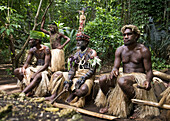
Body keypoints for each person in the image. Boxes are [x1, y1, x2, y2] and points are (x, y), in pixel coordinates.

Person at [95, 25, 160, 118]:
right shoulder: (120, 50)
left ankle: (136, 106)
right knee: (102, 79)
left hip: (138, 76)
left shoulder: (143, 50)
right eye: (124, 35)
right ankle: (110, 104)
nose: (125, 37)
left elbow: (149, 70)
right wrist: (114, 71)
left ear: (136, 36)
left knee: (122, 81)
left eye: (129, 34)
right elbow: (115, 67)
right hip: (124, 75)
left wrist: (148, 80)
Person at [46, 33, 101, 108]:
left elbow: (92, 70)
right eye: (77, 41)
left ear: (86, 42)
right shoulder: (76, 54)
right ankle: (53, 96)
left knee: (83, 90)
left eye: (80, 40)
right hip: (76, 75)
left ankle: (73, 95)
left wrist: (83, 78)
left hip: (87, 76)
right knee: (57, 74)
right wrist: (69, 80)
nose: (78, 42)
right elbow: (72, 69)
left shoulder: (92, 53)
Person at [14, 30, 51, 97]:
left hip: (45, 69)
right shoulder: (32, 50)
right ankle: (29, 89)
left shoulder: (46, 49)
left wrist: (36, 73)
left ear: (37, 41)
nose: (29, 42)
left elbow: (46, 65)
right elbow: (27, 62)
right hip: (36, 68)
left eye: (31, 40)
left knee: (37, 76)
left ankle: (23, 93)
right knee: (17, 71)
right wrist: (23, 68)